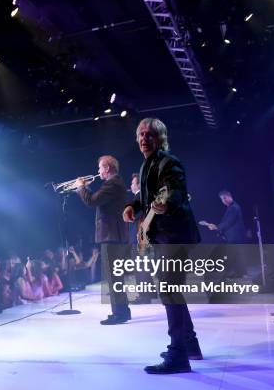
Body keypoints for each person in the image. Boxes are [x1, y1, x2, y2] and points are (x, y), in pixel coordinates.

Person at [123, 118, 202, 374]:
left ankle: (178, 354)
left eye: (150, 135)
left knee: (169, 290)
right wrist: (133, 207)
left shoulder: (169, 162)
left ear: (160, 138)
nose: (145, 139)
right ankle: (189, 344)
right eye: (141, 135)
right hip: (165, 236)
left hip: (176, 235)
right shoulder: (148, 164)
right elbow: (145, 196)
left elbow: (176, 190)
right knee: (172, 290)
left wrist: (167, 204)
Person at [74, 155, 130, 325]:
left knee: (113, 276)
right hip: (114, 235)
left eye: (100, 168)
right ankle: (123, 311)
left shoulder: (112, 183)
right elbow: (97, 199)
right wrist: (85, 189)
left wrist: (81, 188)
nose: (98, 171)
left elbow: (92, 201)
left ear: (107, 168)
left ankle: (119, 313)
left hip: (111, 235)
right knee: (116, 275)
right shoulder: (115, 183)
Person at [203, 191, 247, 278]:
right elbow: (226, 222)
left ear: (229, 197)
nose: (223, 201)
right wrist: (217, 227)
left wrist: (216, 227)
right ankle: (239, 273)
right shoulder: (232, 207)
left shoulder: (234, 208)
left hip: (234, 236)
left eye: (224, 198)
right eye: (222, 199)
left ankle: (238, 273)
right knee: (235, 255)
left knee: (233, 254)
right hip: (233, 236)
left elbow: (228, 222)